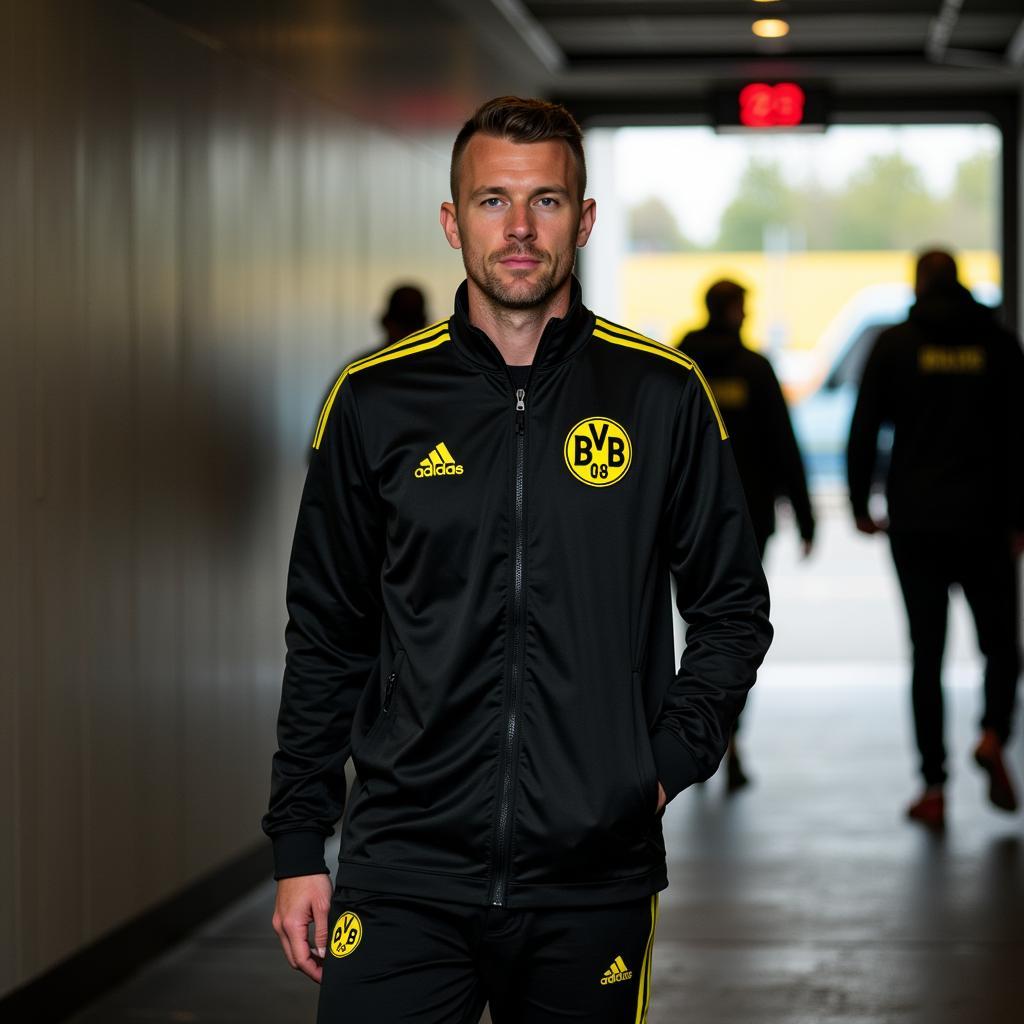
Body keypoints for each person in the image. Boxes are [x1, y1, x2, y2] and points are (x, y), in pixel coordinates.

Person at [263, 95, 772, 1023]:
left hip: (592, 874)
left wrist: (657, 764)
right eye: (493, 201)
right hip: (404, 867)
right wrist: (301, 839)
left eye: (545, 201)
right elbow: (327, 632)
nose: (521, 229)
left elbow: (732, 607)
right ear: (454, 222)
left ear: (582, 219)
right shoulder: (374, 401)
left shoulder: (662, 395)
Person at [847, 249, 1024, 830]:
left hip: (917, 521)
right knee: (1000, 643)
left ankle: (934, 786)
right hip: (986, 521)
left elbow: (865, 425)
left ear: (920, 283)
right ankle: (994, 733)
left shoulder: (897, 343)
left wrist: (860, 505)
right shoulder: (997, 344)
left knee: (928, 655)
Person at [679, 279, 814, 791]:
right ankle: (729, 739)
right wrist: (805, 518)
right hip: (748, 522)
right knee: (734, 629)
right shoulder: (756, 369)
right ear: (735, 311)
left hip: (681, 526)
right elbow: (784, 442)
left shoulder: (681, 363)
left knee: (691, 631)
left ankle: (689, 738)